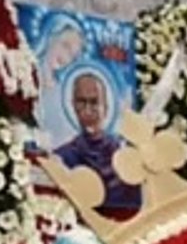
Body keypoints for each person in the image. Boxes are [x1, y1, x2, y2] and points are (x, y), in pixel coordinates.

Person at [55, 74, 138, 220]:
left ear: (105, 107)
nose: (87, 110)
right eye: (81, 102)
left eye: (94, 102)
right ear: (73, 105)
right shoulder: (62, 156)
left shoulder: (125, 156)